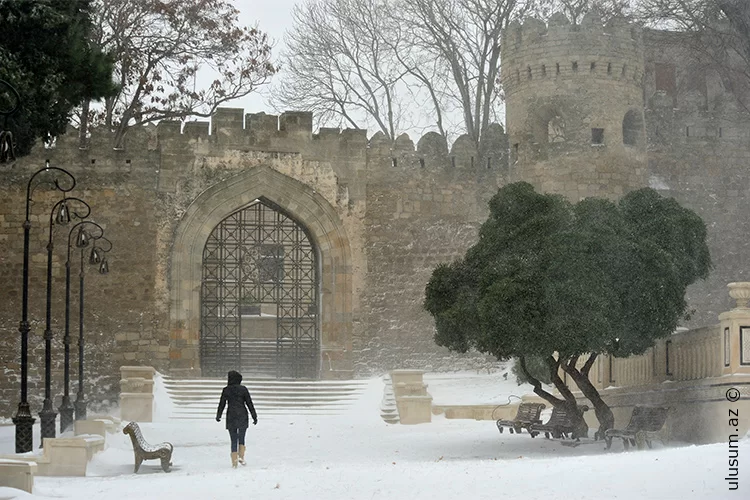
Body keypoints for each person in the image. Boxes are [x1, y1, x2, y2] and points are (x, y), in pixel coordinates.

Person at [216, 370, 257, 468]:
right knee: (242, 437)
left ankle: (234, 461)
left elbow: (222, 404)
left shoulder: (226, 390)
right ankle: (241, 457)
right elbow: (249, 403)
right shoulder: (243, 389)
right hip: (242, 414)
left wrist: (219, 415)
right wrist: (254, 415)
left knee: (233, 439)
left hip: (231, 416)